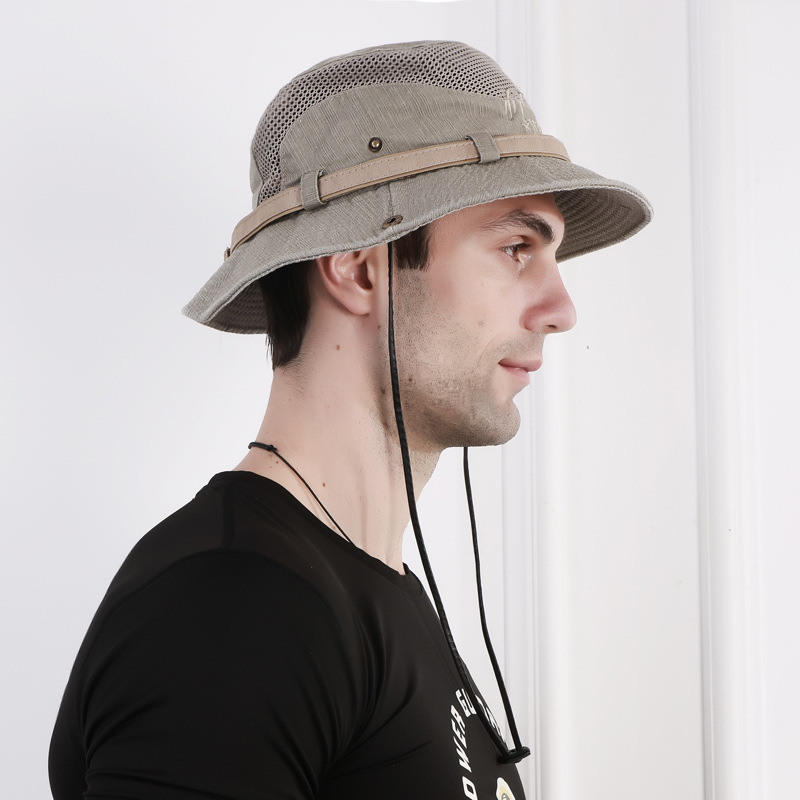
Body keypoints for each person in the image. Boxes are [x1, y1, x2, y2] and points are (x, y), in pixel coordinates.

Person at [48, 40, 651, 800]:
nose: (561, 310)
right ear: (360, 269)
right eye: (515, 248)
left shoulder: (365, 590)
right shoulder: (233, 607)